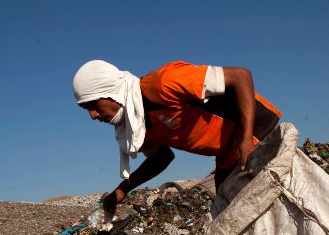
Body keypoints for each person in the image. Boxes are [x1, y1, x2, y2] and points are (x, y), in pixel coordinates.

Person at [73, 60, 282, 217]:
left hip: (255, 133)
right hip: (227, 155)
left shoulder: (162, 84)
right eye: (86, 109)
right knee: (227, 212)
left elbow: (240, 76)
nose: (93, 115)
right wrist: (122, 189)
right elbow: (161, 158)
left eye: (93, 105)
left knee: (261, 210)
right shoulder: (137, 124)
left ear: (110, 92)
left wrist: (245, 139)